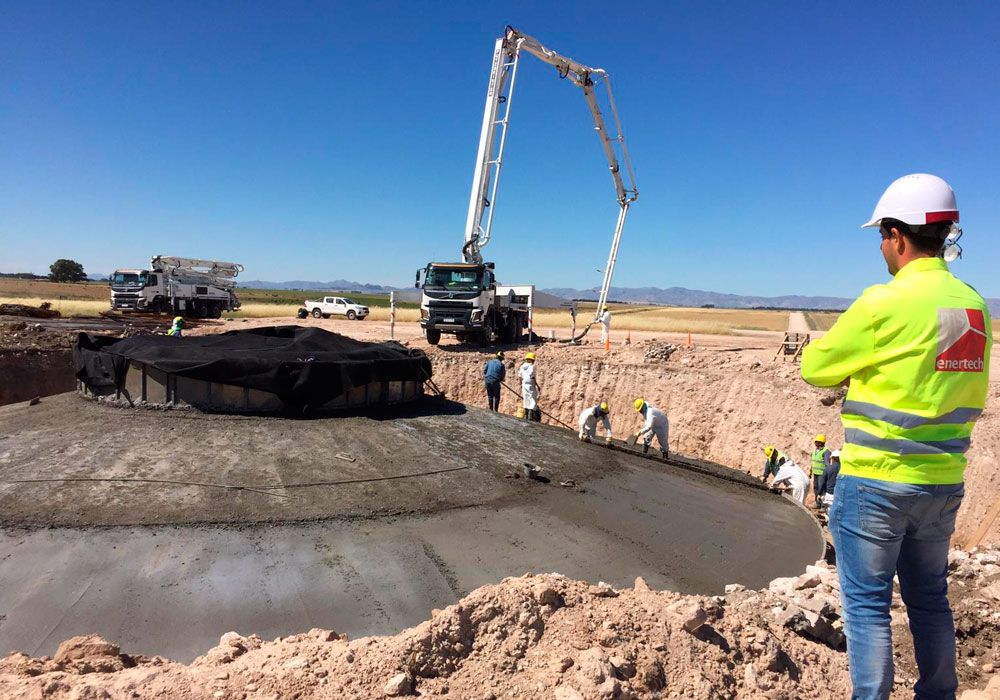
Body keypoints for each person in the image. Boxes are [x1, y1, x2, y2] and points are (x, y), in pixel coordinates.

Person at [801, 173, 992, 700]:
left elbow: (815, 366)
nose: (881, 248)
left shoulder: (883, 302)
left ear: (897, 235)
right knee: (930, 599)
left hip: (877, 485)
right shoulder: (975, 306)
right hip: (943, 483)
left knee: (866, 608)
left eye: (881, 237)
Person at [518, 352, 541, 422]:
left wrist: (521, 384)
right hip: (530, 384)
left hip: (524, 384)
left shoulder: (522, 366)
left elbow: (520, 377)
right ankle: (530, 416)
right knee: (533, 399)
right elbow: (532, 377)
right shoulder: (531, 367)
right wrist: (537, 385)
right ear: (531, 360)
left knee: (526, 398)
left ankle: (526, 414)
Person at [810, 434, 832, 503]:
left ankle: (822, 504)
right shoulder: (815, 451)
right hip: (815, 473)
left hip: (822, 474)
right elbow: (813, 462)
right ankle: (817, 502)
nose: (815, 443)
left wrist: (828, 473)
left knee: (821, 489)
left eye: (817, 441)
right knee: (816, 488)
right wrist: (810, 471)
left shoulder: (826, 451)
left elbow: (827, 463)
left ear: (821, 442)